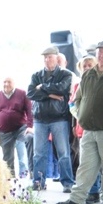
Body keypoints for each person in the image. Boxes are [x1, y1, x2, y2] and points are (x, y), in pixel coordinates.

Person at [57, 40, 103, 204]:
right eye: (100, 52)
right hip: (88, 130)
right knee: (85, 166)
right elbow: (77, 100)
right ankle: (77, 199)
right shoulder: (87, 75)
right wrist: (80, 115)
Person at [27, 46, 74, 192]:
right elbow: (30, 93)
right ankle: (38, 182)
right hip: (40, 119)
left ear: (56, 58)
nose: (47, 60)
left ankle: (67, 183)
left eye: (50, 57)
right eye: (45, 57)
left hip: (59, 118)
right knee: (38, 154)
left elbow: (62, 89)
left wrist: (42, 87)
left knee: (63, 153)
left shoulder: (66, 74)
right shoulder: (36, 75)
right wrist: (50, 94)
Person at [0, 77, 32, 179]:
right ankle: (10, 180)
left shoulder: (22, 94)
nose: (7, 84)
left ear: (14, 83)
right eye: (5, 82)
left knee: (23, 152)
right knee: (7, 158)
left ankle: (26, 177)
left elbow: (30, 111)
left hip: (21, 129)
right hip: (5, 131)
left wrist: (30, 126)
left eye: (9, 82)